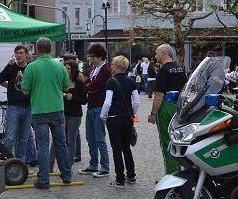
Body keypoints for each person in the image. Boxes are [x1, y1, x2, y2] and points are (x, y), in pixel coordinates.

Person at [21, 37, 72, 189]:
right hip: (57, 108)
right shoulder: (60, 66)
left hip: (39, 110)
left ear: (37, 49)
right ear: (50, 49)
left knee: (42, 146)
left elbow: (25, 91)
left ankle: (43, 180)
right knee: (61, 144)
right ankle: (67, 175)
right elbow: (67, 88)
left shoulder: (31, 67)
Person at [100, 55, 140, 188]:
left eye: (112, 64)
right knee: (126, 147)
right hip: (127, 119)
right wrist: (132, 113)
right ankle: (131, 175)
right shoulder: (131, 81)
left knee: (116, 149)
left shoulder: (111, 82)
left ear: (116, 67)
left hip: (114, 118)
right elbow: (137, 101)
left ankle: (120, 179)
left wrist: (102, 115)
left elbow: (107, 102)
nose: (110, 66)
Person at [147, 44, 187, 174]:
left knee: (167, 142)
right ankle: (182, 172)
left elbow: (159, 94)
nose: (155, 55)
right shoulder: (180, 69)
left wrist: (153, 113)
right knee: (180, 141)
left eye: (157, 52)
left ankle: (171, 174)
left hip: (166, 107)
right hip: (180, 107)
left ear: (163, 53)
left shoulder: (163, 71)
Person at [0, 44, 36, 164]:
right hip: (14, 107)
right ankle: (7, 163)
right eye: (17, 53)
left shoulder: (30, 68)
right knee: (9, 138)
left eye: (21, 53)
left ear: (26, 54)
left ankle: (20, 164)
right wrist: (9, 65)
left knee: (23, 139)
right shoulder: (11, 68)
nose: (19, 55)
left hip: (27, 107)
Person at [79, 43, 111, 177]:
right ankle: (93, 165)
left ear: (99, 56)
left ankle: (105, 166)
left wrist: (87, 87)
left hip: (99, 106)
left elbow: (94, 85)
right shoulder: (94, 70)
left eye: (93, 56)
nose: (91, 58)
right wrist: (87, 86)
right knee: (90, 137)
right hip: (91, 106)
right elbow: (87, 83)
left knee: (100, 138)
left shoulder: (105, 70)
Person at [49, 60, 87, 172]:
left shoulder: (80, 83)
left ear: (74, 70)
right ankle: (50, 165)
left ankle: (68, 165)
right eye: (65, 68)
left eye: (69, 69)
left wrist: (73, 97)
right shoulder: (60, 82)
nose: (67, 71)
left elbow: (84, 100)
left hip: (75, 115)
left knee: (71, 140)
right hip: (61, 113)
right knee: (56, 139)